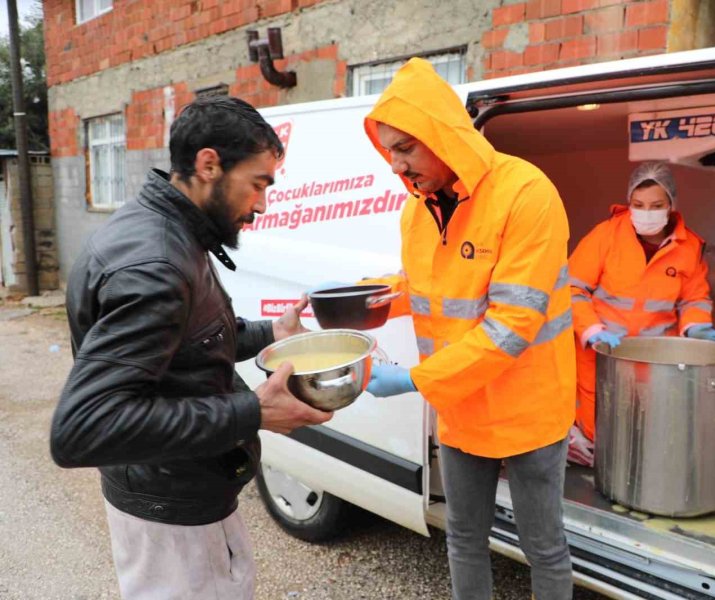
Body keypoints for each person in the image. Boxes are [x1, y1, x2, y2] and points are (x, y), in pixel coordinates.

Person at [50, 96, 333, 600]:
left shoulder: (168, 229)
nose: (263, 203)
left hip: (179, 490)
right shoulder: (155, 263)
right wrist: (252, 412)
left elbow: (187, 340)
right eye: (259, 183)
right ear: (208, 165)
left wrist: (272, 334)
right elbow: (84, 429)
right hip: (172, 516)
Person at [354, 58, 575, 600]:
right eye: (389, 151)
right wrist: (377, 296)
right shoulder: (416, 210)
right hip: (462, 406)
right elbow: (437, 286)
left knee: (543, 545)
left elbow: (510, 327)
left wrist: (414, 379)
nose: (396, 165)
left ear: (442, 135)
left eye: (405, 147)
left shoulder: (526, 194)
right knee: (463, 537)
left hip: (529, 407)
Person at [567, 161, 715, 462]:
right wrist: (592, 330)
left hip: (656, 360)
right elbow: (571, 288)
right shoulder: (605, 236)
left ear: (671, 205)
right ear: (629, 202)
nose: (646, 212)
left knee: (647, 433)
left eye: (656, 204)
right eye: (638, 204)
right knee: (598, 430)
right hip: (601, 352)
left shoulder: (689, 247)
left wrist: (696, 327)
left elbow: (694, 299)